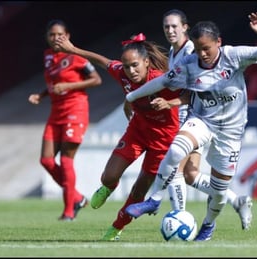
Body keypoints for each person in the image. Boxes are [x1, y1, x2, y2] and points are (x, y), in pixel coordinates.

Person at [125, 12, 257, 241]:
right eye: (198, 49)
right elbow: (163, 81)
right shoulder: (189, 64)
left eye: (206, 48)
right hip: (203, 121)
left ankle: (208, 226)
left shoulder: (233, 56)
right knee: (177, 150)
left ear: (218, 42)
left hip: (230, 132)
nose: (202, 54)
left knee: (218, 193)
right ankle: (154, 200)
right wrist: (132, 97)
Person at [55, 32, 181, 240]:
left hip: (163, 140)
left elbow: (189, 95)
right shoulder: (121, 73)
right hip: (138, 132)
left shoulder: (162, 80)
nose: (130, 71)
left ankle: (116, 227)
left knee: (139, 190)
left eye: (135, 65)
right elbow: (103, 61)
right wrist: (73, 50)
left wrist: (169, 103)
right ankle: (108, 188)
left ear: (147, 62)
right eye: (126, 66)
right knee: (108, 177)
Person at [149, 8, 253, 230]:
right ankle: (236, 200)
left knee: (175, 167)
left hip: (199, 121)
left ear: (185, 27)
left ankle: (179, 218)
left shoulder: (192, 51)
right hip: (195, 120)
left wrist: (171, 104)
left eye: (174, 26)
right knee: (190, 174)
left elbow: (197, 91)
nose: (170, 30)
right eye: (166, 26)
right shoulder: (174, 52)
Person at [28, 19, 102, 221]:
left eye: (59, 34)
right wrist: (41, 95)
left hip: (75, 110)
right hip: (56, 111)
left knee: (66, 160)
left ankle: (69, 211)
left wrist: (68, 87)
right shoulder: (48, 56)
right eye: (51, 34)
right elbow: (55, 84)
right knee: (46, 160)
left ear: (67, 36)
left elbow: (97, 79)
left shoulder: (75, 55)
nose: (55, 38)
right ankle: (76, 197)